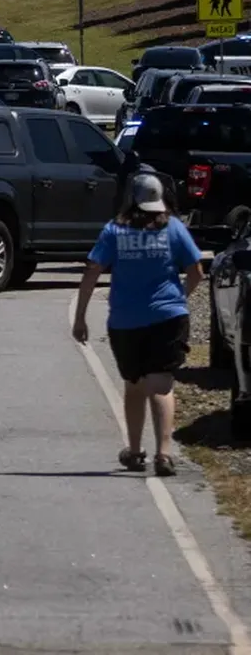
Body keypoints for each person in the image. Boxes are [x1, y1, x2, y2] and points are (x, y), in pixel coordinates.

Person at [73, 174, 203, 478]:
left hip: (126, 321)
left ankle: (134, 450)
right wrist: (179, 298)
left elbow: (93, 270)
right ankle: (164, 454)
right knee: (161, 385)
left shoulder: (114, 230)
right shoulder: (173, 228)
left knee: (134, 384)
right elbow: (196, 270)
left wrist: (80, 316)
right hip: (168, 318)